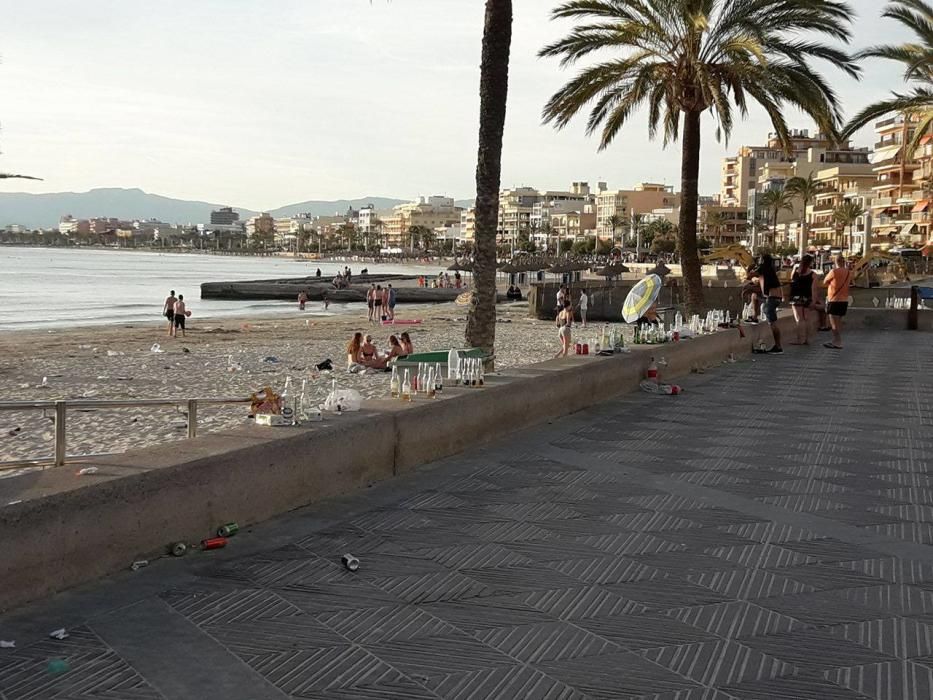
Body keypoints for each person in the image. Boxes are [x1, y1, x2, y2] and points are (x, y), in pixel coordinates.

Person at [754, 253, 784, 354]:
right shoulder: (771, 269)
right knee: (755, 297)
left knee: (772, 323)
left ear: (762, 260)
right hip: (776, 297)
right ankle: (754, 316)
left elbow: (750, 275)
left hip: (772, 298)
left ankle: (778, 346)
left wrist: (752, 272)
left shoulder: (762, 268)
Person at [823, 254, 852, 349]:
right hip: (844, 300)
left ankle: (837, 341)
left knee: (833, 322)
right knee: (838, 321)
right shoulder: (848, 272)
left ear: (836, 262)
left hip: (834, 300)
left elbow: (825, 281)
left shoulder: (834, 271)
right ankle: (836, 340)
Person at [789, 255, 817, 345]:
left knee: (799, 319)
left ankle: (800, 339)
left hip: (796, 297)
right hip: (807, 297)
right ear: (810, 263)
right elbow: (814, 289)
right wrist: (814, 300)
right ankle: (808, 339)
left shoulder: (796, 272)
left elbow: (791, 280)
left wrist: (794, 267)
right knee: (807, 319)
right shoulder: (813, 275)